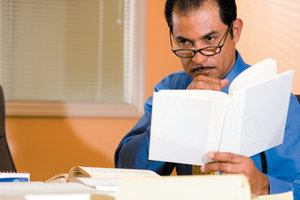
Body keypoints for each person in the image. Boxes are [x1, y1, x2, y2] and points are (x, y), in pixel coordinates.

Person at [114, 0, 300, 198]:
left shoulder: (280, 101)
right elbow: (126, 171)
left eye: (210, 39)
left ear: (235, 31)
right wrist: (177, 114)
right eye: (185, 42)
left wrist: (264, 185)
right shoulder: (170, 89)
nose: (199, 59)